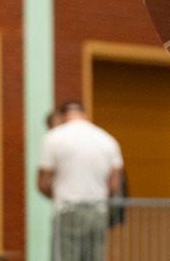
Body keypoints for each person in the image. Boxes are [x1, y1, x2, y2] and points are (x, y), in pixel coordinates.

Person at [38, 101, 124, 261]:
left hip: (68, 210)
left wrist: (59, 194)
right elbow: (114, 185)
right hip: (98, 212)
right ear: (84, 114)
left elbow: (43, 183)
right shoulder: (108, 140)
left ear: (62, 117)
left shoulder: (54, 137)